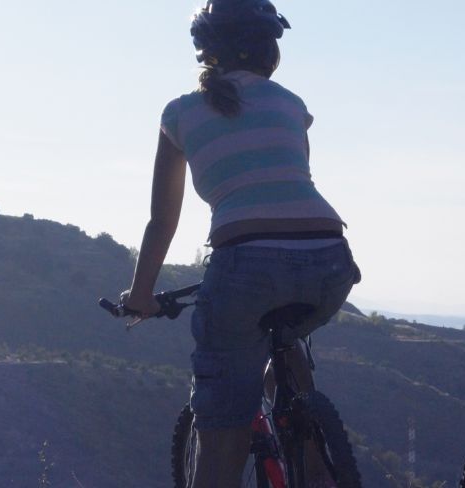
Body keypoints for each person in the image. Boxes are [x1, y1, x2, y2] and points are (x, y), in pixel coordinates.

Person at [118, 1, 359, 487]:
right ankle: (312, 461)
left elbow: (162, 220)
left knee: (222, 434)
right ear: (272, 50)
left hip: (245, 264)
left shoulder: (179, 113)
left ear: (206, 51)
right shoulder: (291, 104)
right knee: (284, 347)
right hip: (329, 261)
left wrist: (141, 295)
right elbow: (293, 187)